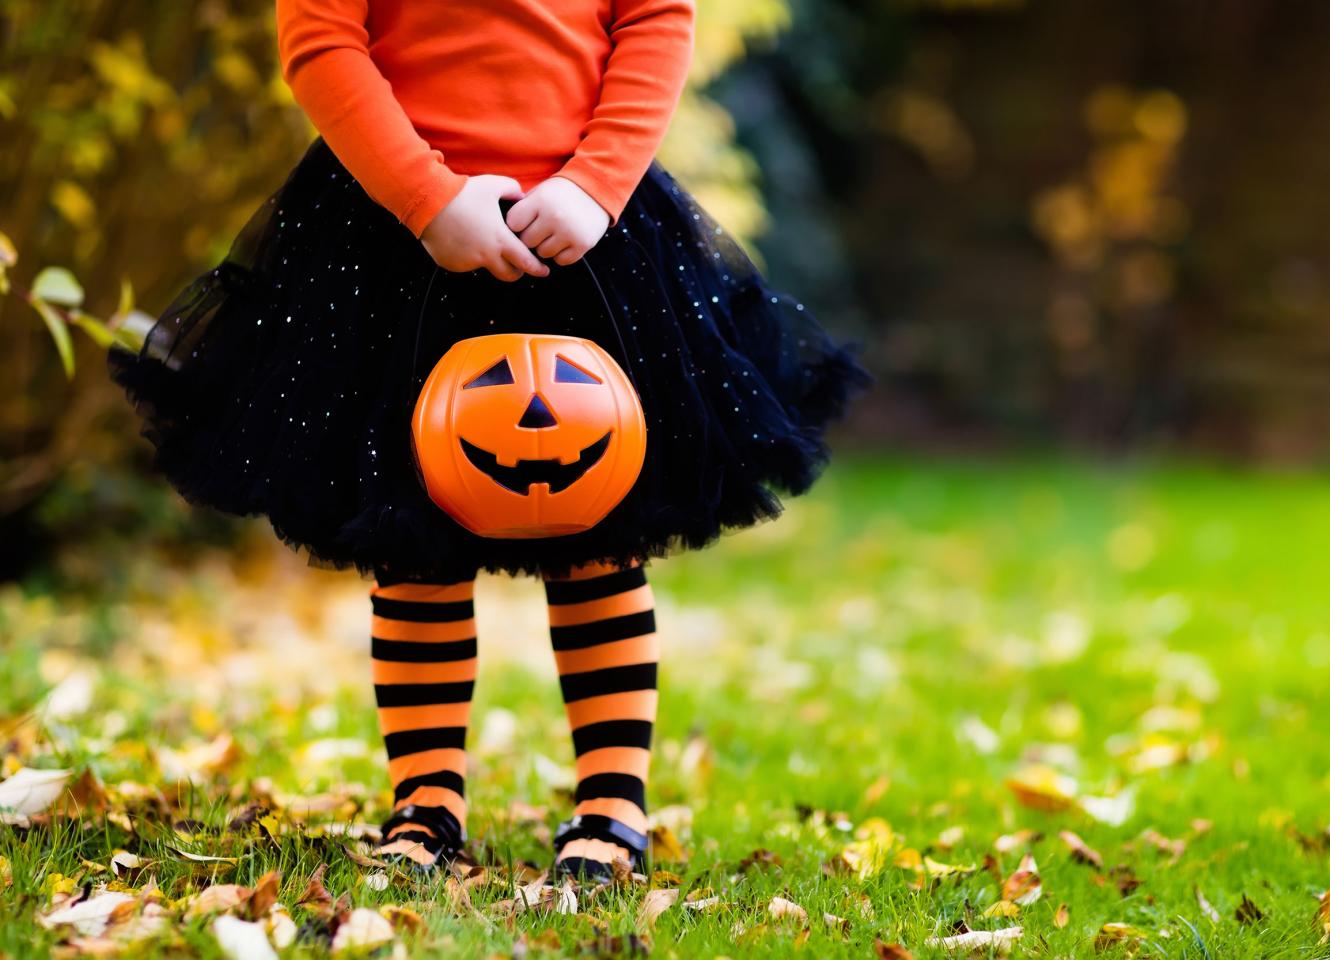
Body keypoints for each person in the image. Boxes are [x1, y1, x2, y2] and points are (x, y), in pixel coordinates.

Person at [109, 0, 869, 882]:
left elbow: (657, 18)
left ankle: (612, 804)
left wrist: (596, 185)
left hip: (585, 230)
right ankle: (426, 804)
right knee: (413, 540)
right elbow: (320, 42)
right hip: (394, 240)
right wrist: (429, 199)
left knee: (601, 539)